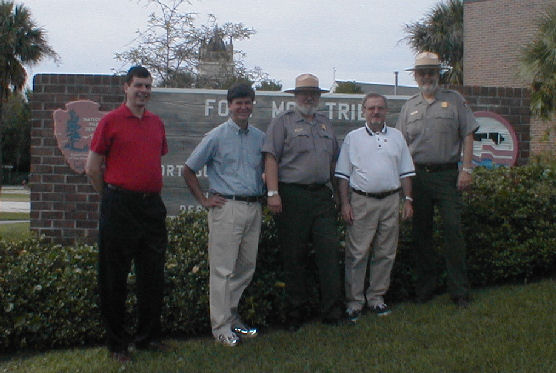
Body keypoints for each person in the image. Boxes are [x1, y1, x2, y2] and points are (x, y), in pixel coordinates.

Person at [85, 66, 169, 363]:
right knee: (114, 278)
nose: (143, 91)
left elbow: (152, 160)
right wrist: (108, 195)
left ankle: (147, 338)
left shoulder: (157, 123)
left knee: (152, 276)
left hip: (151, 208)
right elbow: (92, 167)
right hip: (119, 206)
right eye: (138, 85)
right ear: (126, 87)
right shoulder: (110, 122)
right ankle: (117, 345)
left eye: (147, 86)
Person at [183, 83, 264, 347]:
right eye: (238, 102)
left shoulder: (259, 138)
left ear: (252, 105)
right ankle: (220, 328)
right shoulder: (216, 136)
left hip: (253, 208)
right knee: (222, 270)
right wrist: (204, 200)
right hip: (226, 208)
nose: (243, 107)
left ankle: (230, 317)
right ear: (229, 106)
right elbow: (188, 170)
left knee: (245, 268)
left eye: (247, 102)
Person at [395, 52, 478, 307]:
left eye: (432, 72)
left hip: (447, 176)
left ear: (438, 74)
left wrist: (466, 169)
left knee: (453, 232)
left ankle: (459, 291)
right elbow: (400, 143)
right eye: (422, 73)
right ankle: (425, 289)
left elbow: (467, 134)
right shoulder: (409, 106)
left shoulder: (454, 101)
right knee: (422, 235)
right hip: (418, 177)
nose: (427, 76)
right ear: (416, 76)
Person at [263, 73, 345, 331]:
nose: (309, 97)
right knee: (294, 257)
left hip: (322, 196)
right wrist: (273, 193)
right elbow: (271, 158)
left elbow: (334, 163)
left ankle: (332, 312)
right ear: (295, 96)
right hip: (292, 196)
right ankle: (295, 314)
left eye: (314, 93)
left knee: (329, 254)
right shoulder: (283, 122)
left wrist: (342, 199)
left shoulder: (325, 124)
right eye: (304, 93)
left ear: (319, 96)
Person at [335, 92, 415, 321]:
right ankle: (354, 303)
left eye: (380, 108)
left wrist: (408, 200)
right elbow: (343, 175)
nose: (376, 112)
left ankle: (377, 299)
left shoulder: (397, 137)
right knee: (357, 254)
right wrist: (345, 204)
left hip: (391, 201)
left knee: (386, 253)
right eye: (371, 108)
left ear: (386, 111)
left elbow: (406, 172)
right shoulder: (353, 138)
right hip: (362, 201)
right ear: (364, 111)